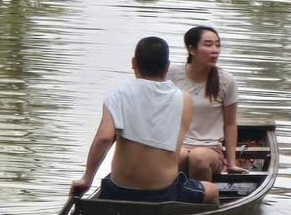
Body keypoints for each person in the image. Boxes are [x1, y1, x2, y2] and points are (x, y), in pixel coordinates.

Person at [70, 35, 219, 205]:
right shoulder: (184, 101)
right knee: (212, 191)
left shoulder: (117, 95)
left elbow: (104, 138)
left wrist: (87, 179)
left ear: (134, 63)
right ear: (167, 66)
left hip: (118, 191)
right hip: (163, 191)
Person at [169, 25, 241, 183]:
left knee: (198, 157)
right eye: (208, 45)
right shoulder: (172, 74)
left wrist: (231, 164)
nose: (215, 50)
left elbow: (230, 123)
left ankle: (201, 201)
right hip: (177, 144)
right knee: (179, 156)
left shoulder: (226, 80)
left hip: (210, 149)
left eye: (218, 45)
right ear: (192, 50)